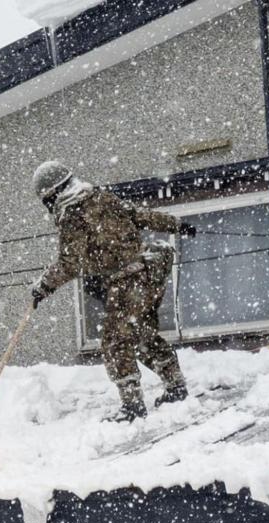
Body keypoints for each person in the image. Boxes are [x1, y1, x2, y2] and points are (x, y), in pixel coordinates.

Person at [30, 161, 196, 422]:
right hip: (147, 277)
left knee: (115, 343)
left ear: (55, 192)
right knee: (143, 335)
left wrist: (44, 286)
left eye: (47, 199)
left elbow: (69, 263)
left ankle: (132, 406)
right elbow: (139, 215)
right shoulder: (103, 198)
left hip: (127, 282)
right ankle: (175, 386)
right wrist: (176, 224)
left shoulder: (72, 214)